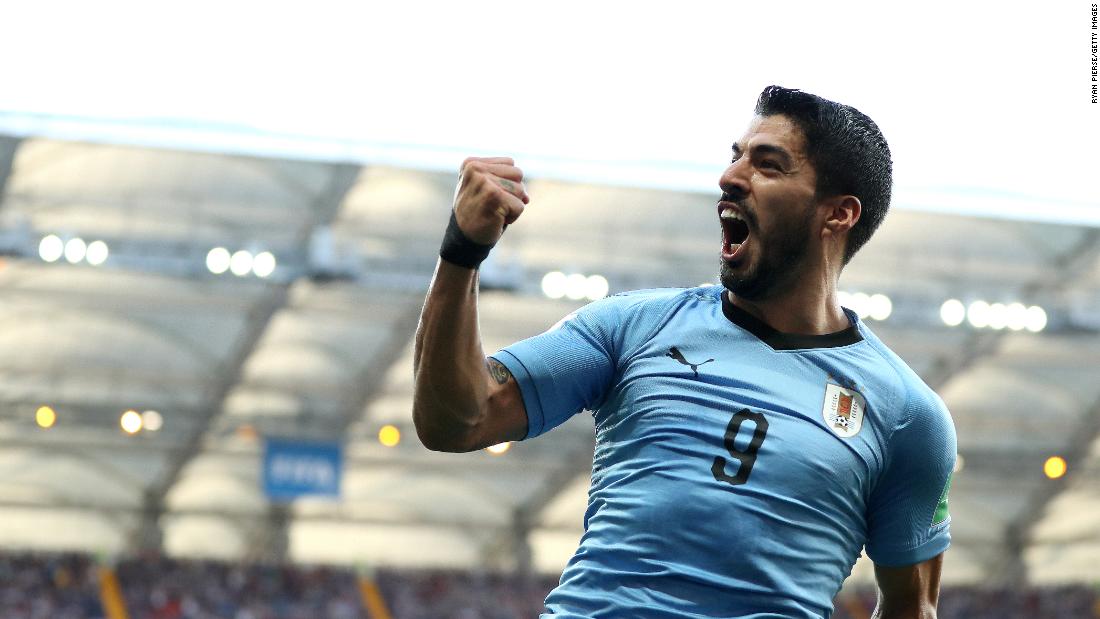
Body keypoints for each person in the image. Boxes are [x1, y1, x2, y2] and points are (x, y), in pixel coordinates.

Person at [413, 85, 956, 619]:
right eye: (736, 156)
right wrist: (462, 252)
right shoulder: (634, 325)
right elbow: (457, 421)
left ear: (837, 215)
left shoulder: (907, 413)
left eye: (767, 165)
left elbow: (913, 608)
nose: (730, 177)